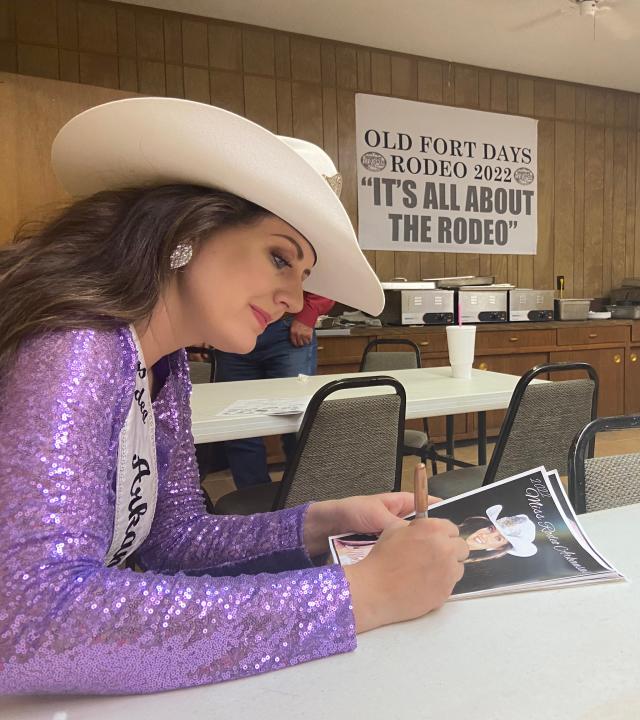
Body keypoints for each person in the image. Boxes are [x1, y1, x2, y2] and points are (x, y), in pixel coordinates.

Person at [0, 97, 469, 695]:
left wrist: (319, 524)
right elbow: (31, 620)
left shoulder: (160, 364)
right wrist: (363, 594)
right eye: (281, 258)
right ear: (189, 231)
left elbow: (173, 540)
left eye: (303, 278)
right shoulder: (75, 344)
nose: (295, 301)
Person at [215, 289, 332, 488]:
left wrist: (308, 314)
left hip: (286, 328)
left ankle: (303, 501)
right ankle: (254, 505)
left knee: (297, 423)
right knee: (239, 428)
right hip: (231, 329)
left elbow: (329, 274)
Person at [335, 504, 538, 566]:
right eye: (491, 529)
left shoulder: (465, 570)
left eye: (497, 538)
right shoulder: (444, 523)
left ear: (496, 549)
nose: (485, 535)